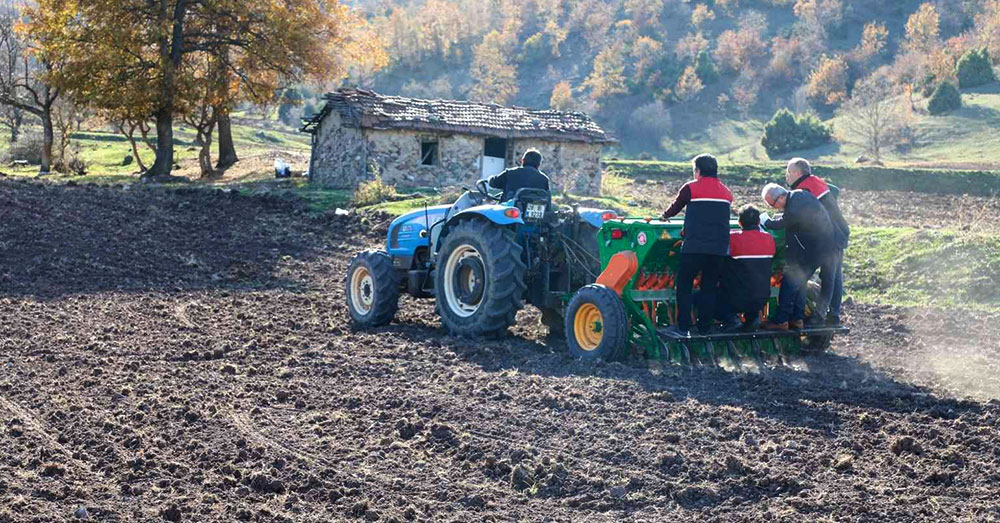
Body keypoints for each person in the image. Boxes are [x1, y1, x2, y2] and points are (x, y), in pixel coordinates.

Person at [661, 154, 733, 335]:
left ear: (698, 171)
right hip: (718, 249)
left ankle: (683, 326)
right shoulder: (726, 193)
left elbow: (675, 207)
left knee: (684, 285)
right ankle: (704, 328)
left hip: (694, 247)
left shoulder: (691, 188)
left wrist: (664, 216)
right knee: (708, 288)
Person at [760, 183, 836, 330]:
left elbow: (779, 224)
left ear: (781, 196)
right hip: (821, 246)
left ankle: (781, 321)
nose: (775, 208)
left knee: (789, 283)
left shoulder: (794, 207)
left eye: (773, 204)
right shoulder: (800, 195)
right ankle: (797, 318)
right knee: (800, 282)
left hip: (812, 250)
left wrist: (765, 220)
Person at [785, 158, 849, 326]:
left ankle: (821, 315)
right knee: (833, 276)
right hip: (837, 233)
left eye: (789, 172)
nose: (787, 176)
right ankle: (832, 314)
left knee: (828, 276)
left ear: (798, 173)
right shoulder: (816, 182)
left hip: (831, 236)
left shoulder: (805, 189)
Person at [717, 205, 776, 332]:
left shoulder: (732, 238)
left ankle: (730, 318)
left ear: (739, 223)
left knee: (704, 296)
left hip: (735, 298)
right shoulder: (769, 238)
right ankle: (753, 317)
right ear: (759, 222)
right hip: (762, 297)